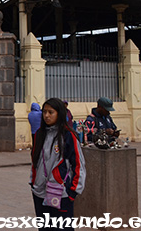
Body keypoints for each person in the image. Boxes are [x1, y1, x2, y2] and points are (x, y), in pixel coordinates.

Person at [30, 98, 85, 230]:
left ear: (59, 113)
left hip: (61, 193)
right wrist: (33, 182)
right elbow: (35, 161)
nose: (46, 116)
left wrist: (73, 192)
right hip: (39, 192)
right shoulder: (39, 134)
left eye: (51, 112)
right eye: (44, 112)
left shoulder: (68, 136)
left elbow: (78, 164)